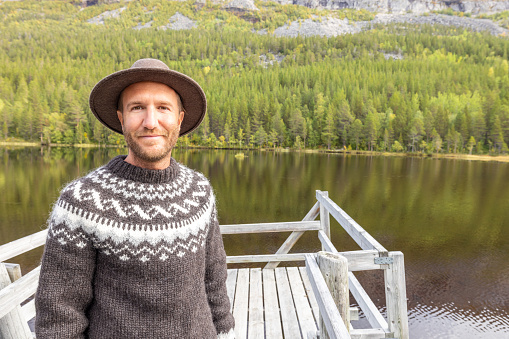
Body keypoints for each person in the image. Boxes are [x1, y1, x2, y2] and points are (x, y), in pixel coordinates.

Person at [35, 58, 235, 338]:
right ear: (121, 119)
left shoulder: (199, 189)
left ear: (179, 118)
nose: (150, 122)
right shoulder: (81, 202)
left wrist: (225, 332)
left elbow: (214, 275)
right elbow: (59, 315)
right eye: (137, 108)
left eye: (163, 108)